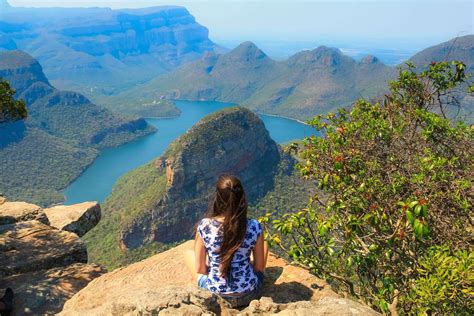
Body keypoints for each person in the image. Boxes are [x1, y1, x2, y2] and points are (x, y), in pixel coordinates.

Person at [184, 175, 269, 307]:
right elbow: (259, 268)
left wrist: (217, 269)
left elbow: (200, 269)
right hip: (248, 294)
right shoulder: (254, 226)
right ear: (242, 198)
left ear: (218, 198)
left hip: (216, 295)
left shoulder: (205, 226)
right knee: (265, 244)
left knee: (187, 253)